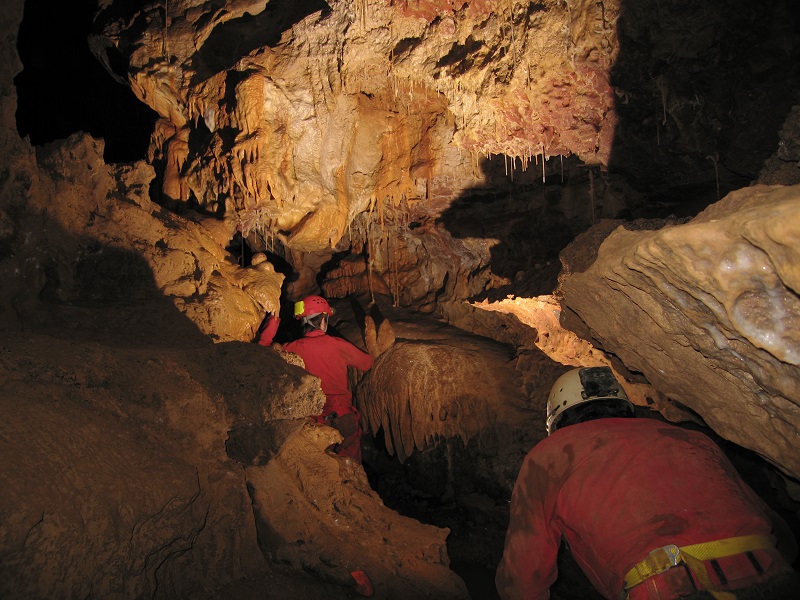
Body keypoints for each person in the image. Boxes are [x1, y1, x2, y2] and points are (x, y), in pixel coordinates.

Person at [496, 366, 799, 600]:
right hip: (776, 575)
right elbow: (778, 531)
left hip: (671, 586)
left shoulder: (550, 455)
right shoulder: (693, 439)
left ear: (557, 418)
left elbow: (525, 572)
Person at [258, 294, 374, 462]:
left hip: (313, 424)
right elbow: (367, 363)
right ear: (322, 321)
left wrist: (273, 320)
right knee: (350, 471)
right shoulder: (337, 345)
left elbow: (264, 353)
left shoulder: (292, 349)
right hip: (343, 419)